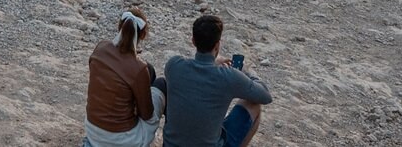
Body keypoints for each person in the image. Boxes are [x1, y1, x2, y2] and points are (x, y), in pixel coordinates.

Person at [163, 14, 272, 147]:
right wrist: (245, 72)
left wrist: (213, 63)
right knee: (253, 104)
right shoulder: (229, 76)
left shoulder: (174, 65)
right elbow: (265, 97)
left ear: (193, 41)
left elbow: (196, 74)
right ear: (217, 45)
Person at [85, 8, 164, 147]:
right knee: (161, 85)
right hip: (120, 139)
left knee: (148, 71)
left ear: (119, 26)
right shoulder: (139, 68)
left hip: (93, 129)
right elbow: (146, 114)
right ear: (143, 35)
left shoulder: (100, 48)